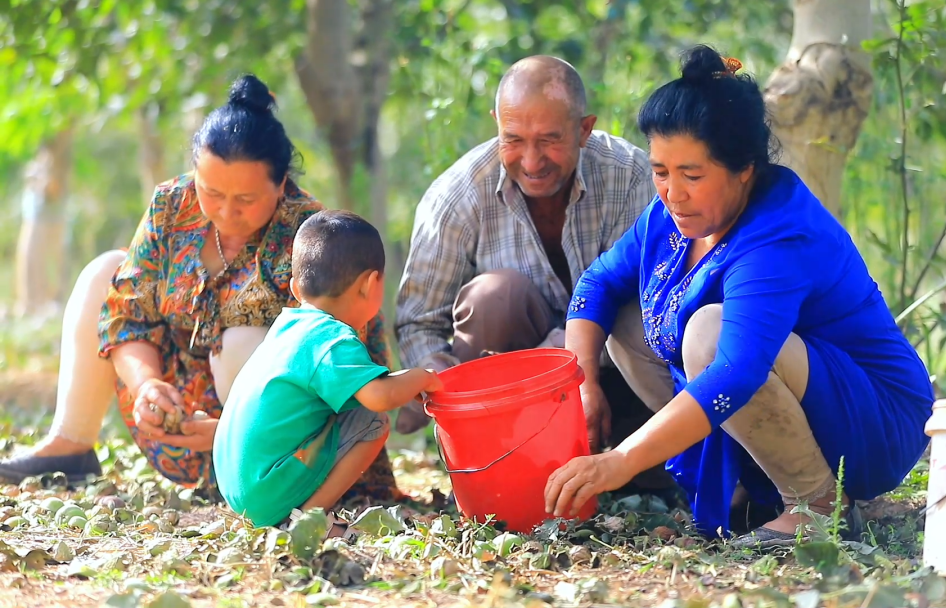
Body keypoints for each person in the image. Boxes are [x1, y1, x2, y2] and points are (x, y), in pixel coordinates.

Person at [542, 45, 934, 549]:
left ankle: (815, 505)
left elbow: (736, 372)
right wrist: (583, 385)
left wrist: (621, 460)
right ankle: (745, 483)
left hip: (872, 418)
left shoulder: (777, 234)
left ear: (744, 168)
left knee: (710, 333)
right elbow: (597, 284)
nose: (673, 192)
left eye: (692, 175)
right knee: (623, 315)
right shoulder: (670, 217)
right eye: (660, 171)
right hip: (781, 394)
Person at [0, 75, 403, 502]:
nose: (226, 212)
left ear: (282, 184)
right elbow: (128, 311)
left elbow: (335, 360)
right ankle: (71, 444)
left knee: (243, 342)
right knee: (106, 271)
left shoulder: (311, 235)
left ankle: (256, 476)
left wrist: (234, 431)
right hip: (183, 420)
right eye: (211, 191)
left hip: (282, 437)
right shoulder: (172, 203)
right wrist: (147, 386)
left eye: (245, 199)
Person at [393, 56, 677, 493]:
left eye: (549, 140)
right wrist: (442, 381)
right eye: (514, 140)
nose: (531, 161)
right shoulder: (457, 197)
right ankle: (495, 469)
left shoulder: (632, 178)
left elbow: (650, 303)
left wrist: (569, 367)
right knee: (495, 297)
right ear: (496, 125)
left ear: (584, 130)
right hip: (506, 402)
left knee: (629, 315)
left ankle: (655, 462)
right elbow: (417, 322)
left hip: (620, 385)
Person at [214, 210, 443, 529]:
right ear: (370, 284)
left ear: (295, 288)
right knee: (373, 421)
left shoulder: (290, 327)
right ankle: (307, 519)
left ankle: (297, 513)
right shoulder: (333, 338)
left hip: (238, 490)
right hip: (265, 494)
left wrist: (405, 383)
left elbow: (373, 387)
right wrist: (424, 377)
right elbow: (379, 398)